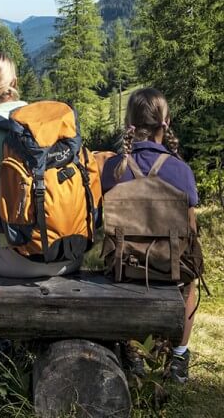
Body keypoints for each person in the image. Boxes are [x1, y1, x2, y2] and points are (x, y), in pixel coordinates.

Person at [0, 50, 84, 305]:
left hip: (16, 262)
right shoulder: (45, 123)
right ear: (14, 83)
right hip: (68, 255)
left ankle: (2, 343)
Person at [101, 87, 200, 384]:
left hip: (124, 268)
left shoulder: (112, 168)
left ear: (129, 122)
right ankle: (179, 355)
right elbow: (190, 228)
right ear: (165, 121)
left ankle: (131, 353)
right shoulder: (181, 170)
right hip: (169, 270)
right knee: (190, 282)